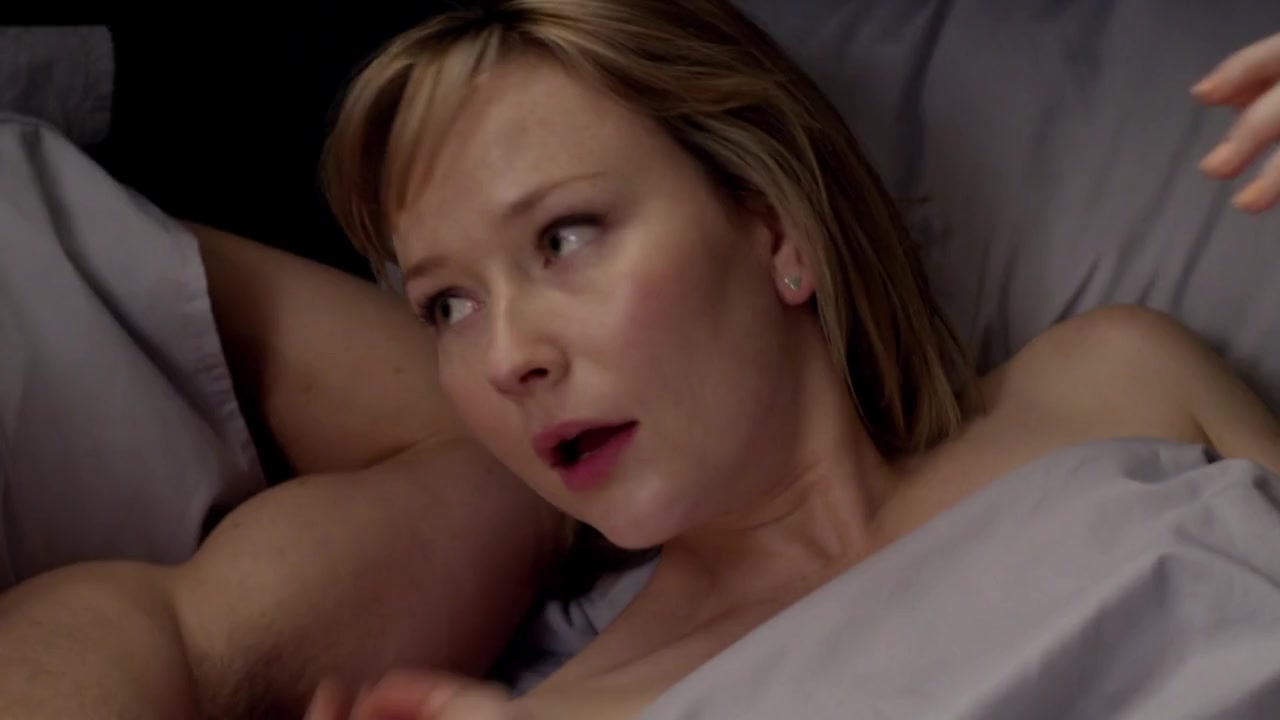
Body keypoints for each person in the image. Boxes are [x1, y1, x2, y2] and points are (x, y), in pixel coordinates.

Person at [297, 2, 1280, 718]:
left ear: (776, 231)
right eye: (448, 306)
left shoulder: (1120, 384)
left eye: (564, 237)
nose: (506, 357)